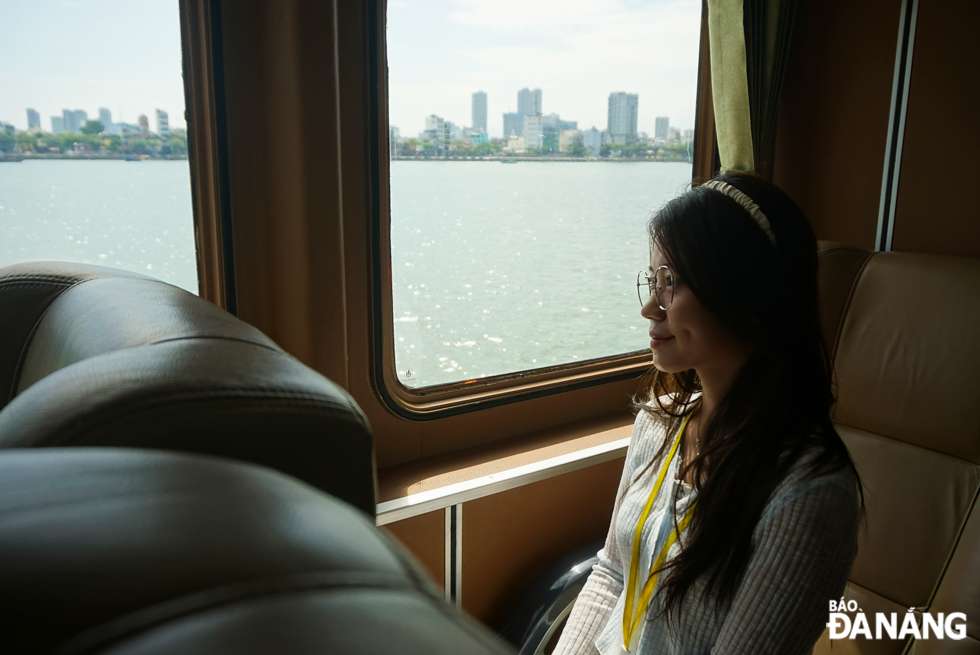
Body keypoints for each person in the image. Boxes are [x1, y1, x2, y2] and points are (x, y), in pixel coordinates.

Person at [553, 174, 862, 655]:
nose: (650, 309)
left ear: (749, 297)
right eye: (652, 282)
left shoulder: (809, 494)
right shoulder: (658, 425)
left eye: (672, 282)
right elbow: (613, 573)